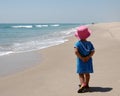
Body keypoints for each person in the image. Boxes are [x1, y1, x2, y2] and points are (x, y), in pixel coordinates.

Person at [74, 26, 95, 93]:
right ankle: (87, 84)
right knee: (87, 73)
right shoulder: (89, 43)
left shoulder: (77, 43)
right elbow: (93, 51)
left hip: (81, 61)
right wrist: (88, 57)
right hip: (88, 60)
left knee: (80, 73)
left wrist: (82, 58)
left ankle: (82, 84)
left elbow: (76, 52)